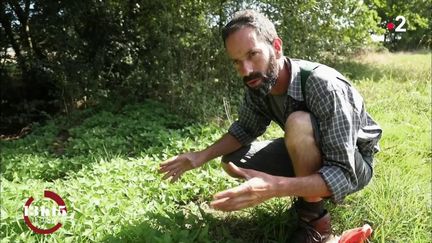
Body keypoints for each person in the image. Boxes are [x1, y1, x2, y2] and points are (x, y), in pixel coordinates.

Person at [159, 9, 382, 243]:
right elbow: (245, 129)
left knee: (298, 121)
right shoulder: (259, 84)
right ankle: (307, 190)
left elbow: (343, 173)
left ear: (276, 47)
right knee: (234, 161)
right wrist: (200, 156)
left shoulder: (323, 85)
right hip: (320, 151)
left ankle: (316, 224)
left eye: (253, 54)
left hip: (353, 164)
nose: (246, 70)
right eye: (237, 62)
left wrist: (274, 187)